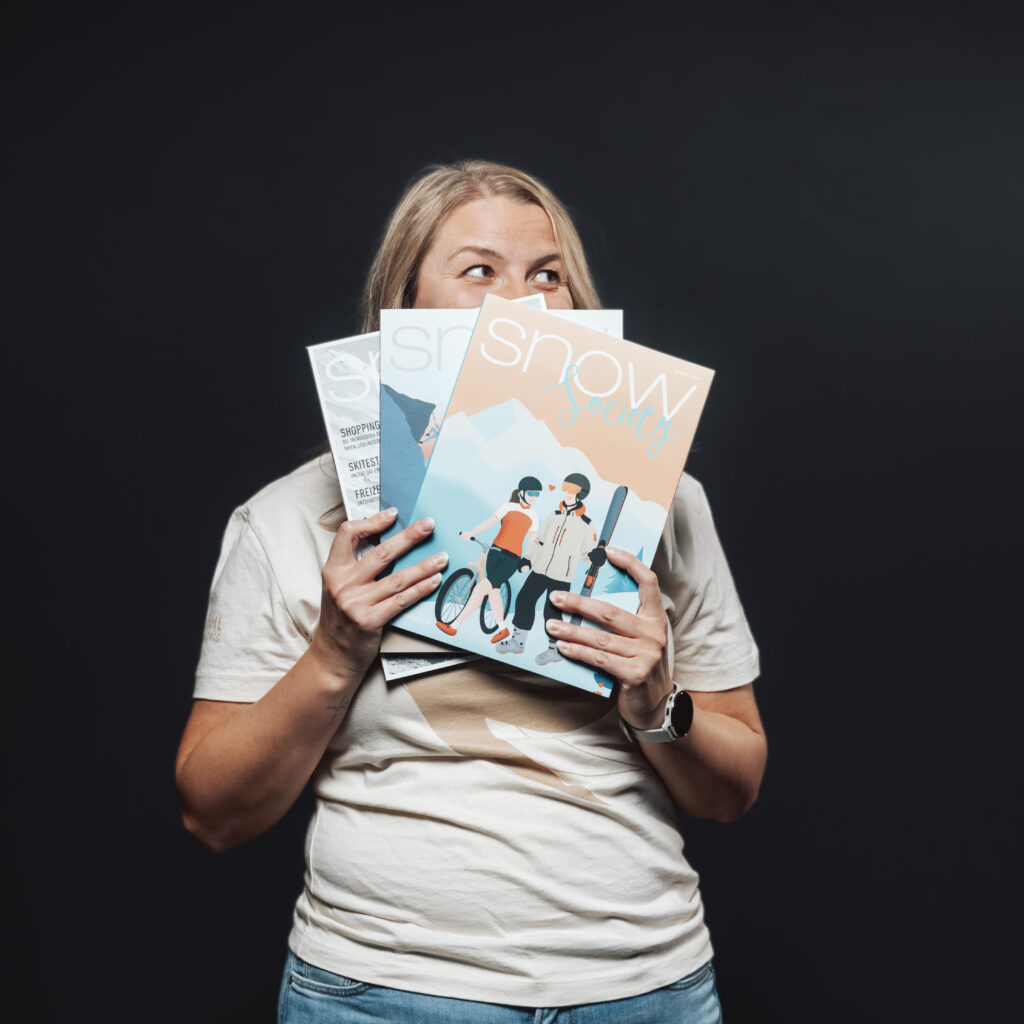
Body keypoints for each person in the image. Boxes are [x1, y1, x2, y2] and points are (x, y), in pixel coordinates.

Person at [176, 160, 766, 1024]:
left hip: (644, 989)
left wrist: (655, 700)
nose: (521, 303)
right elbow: (212, 814)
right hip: (382, 993)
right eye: (479, 270)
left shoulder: (662, 506)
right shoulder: (288, 519)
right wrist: (336, 652)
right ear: (406, 309)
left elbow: (732, 789)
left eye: (548, 274)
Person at [496, 472, 601, 666]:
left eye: (572, 489)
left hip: (562, 576)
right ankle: (518, 642)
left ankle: (554, 650)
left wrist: (596, 560)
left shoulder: (586, 524)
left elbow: (587, 554)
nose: (567, 493)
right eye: (566, 487)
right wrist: (527, 558)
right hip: (540, 569)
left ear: (581, 493)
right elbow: (539, 540)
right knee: (524, 600)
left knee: (551, 613)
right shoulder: (554, 515)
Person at [436, 475, 543, 640]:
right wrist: (472, 533)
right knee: (494, 592)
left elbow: (532, 541)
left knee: (480, 589)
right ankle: (502, 628)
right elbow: (490, 522)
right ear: (522, 492)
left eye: (538, 494)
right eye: (532, 493)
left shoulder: (534, 517)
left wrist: (529, 560)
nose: (535, 497)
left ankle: (454, 626)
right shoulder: (507, 507)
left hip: (512, 559)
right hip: (494, 552)